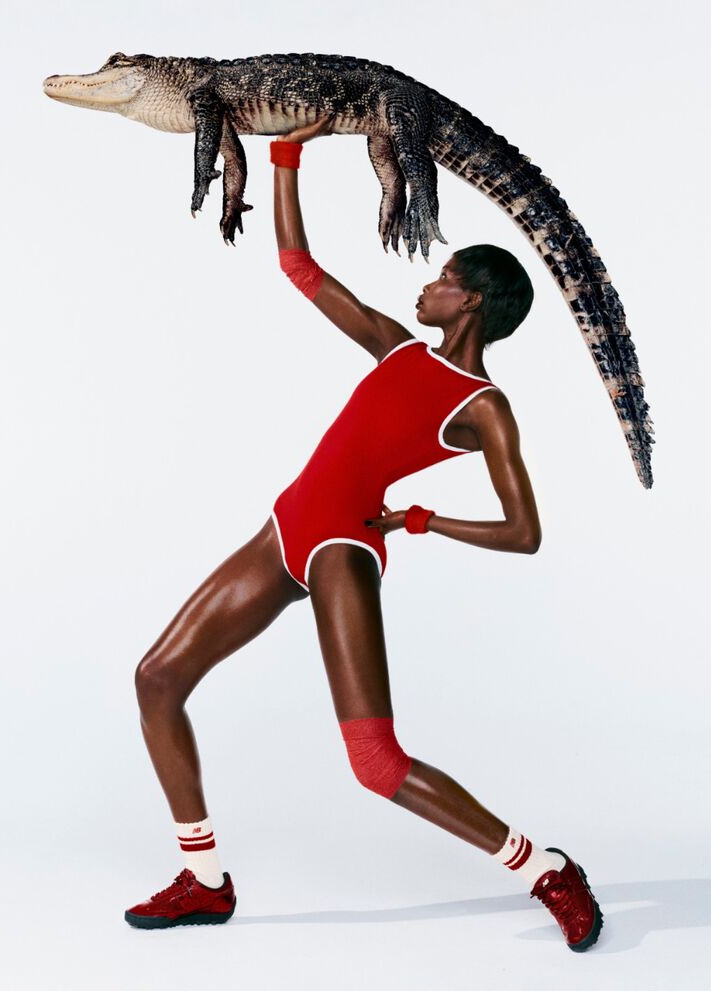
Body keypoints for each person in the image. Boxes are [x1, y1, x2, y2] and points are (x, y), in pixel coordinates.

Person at [123, 116, 603, 951]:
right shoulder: (393, 349)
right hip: (286, 523)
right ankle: (203, 879)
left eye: (444, 276)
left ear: (472, 302)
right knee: (157, 677)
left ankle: (543, 869)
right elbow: (296, 264)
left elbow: (524, 532)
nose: (427, 282)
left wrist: (420, 519)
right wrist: (284, 153)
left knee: (376, 764)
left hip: (344, 546)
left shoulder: (481, 407)